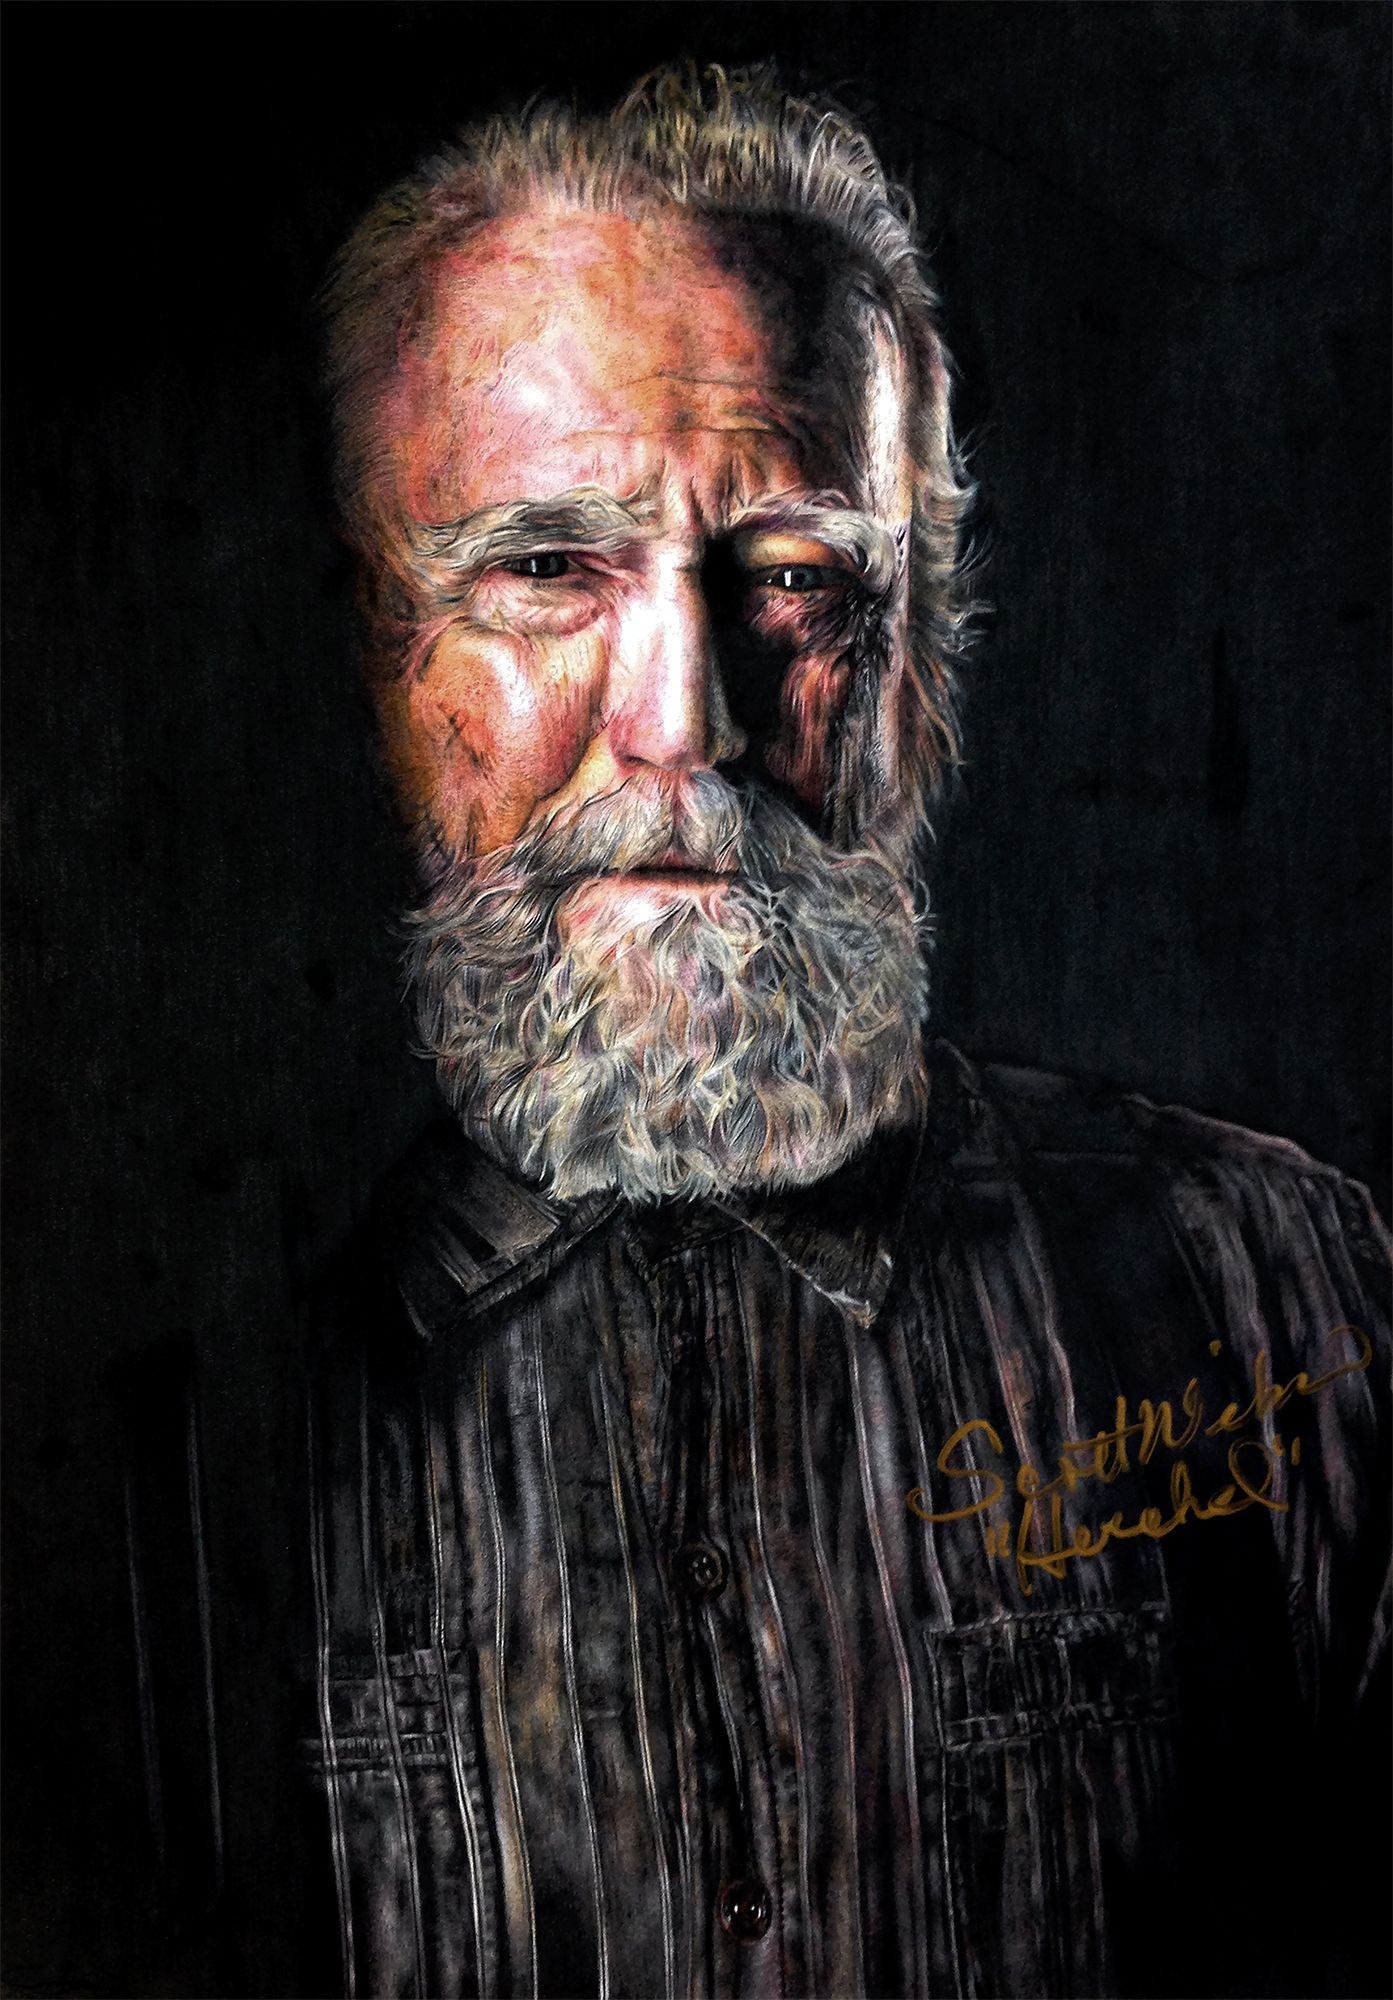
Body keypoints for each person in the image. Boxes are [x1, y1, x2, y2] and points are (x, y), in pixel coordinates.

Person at [297, 65, 1390, 2000]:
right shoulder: (190, 1430)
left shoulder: (1288, 1299)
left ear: (922, 665)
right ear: (374, 657)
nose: (684, 723)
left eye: (795, 580)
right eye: (546, 571)